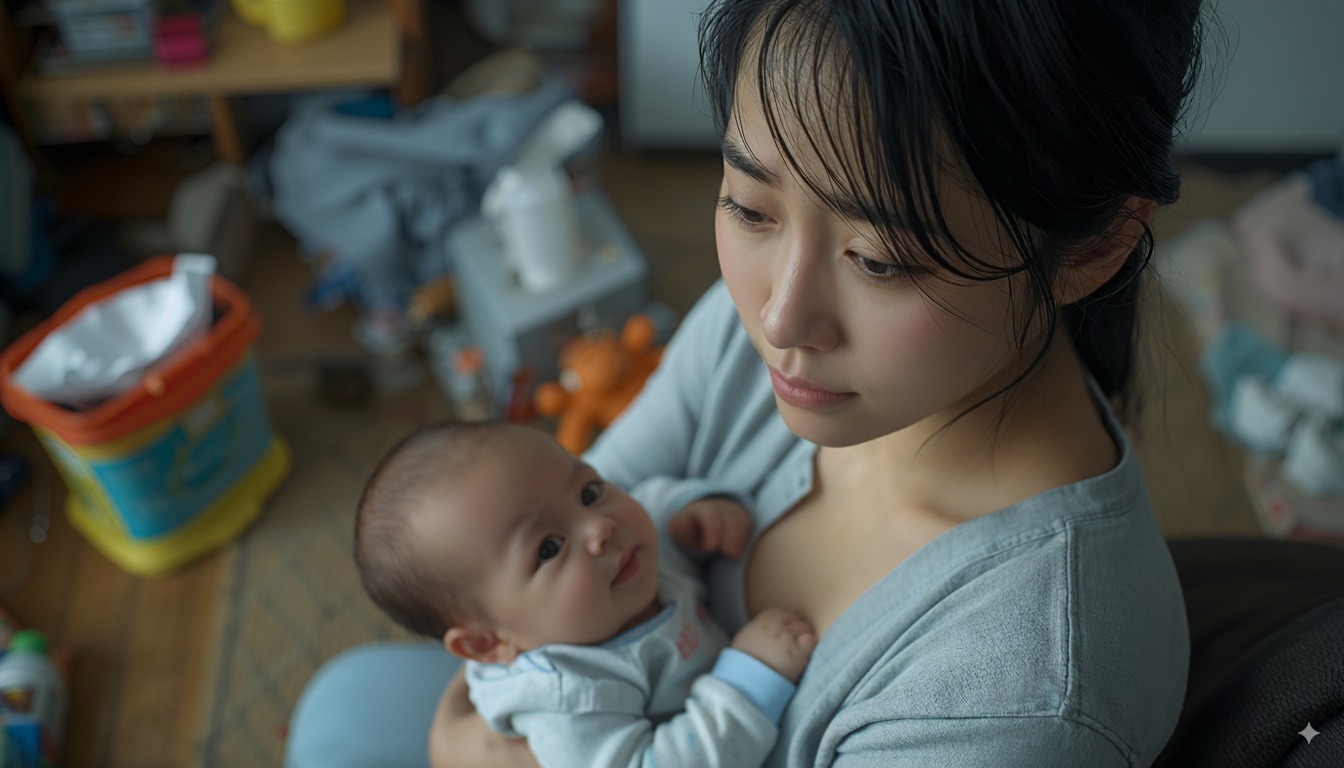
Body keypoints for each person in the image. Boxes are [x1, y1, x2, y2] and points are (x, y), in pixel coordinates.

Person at [286, 0, 1208, 765]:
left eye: (879, 259)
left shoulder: (1015, 701)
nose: (776, 320)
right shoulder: (763, 341)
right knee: (344, 698)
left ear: (1092, 249)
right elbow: (528, 566)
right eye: (749, 206)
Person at [353, 420, 817, 768]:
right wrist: (749, 681)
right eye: (549, 548)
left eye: (590, 491)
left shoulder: (615, 562)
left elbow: (648, 499)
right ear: (487, 644)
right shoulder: (569, 696)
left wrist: (691, 511)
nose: (601, 527)